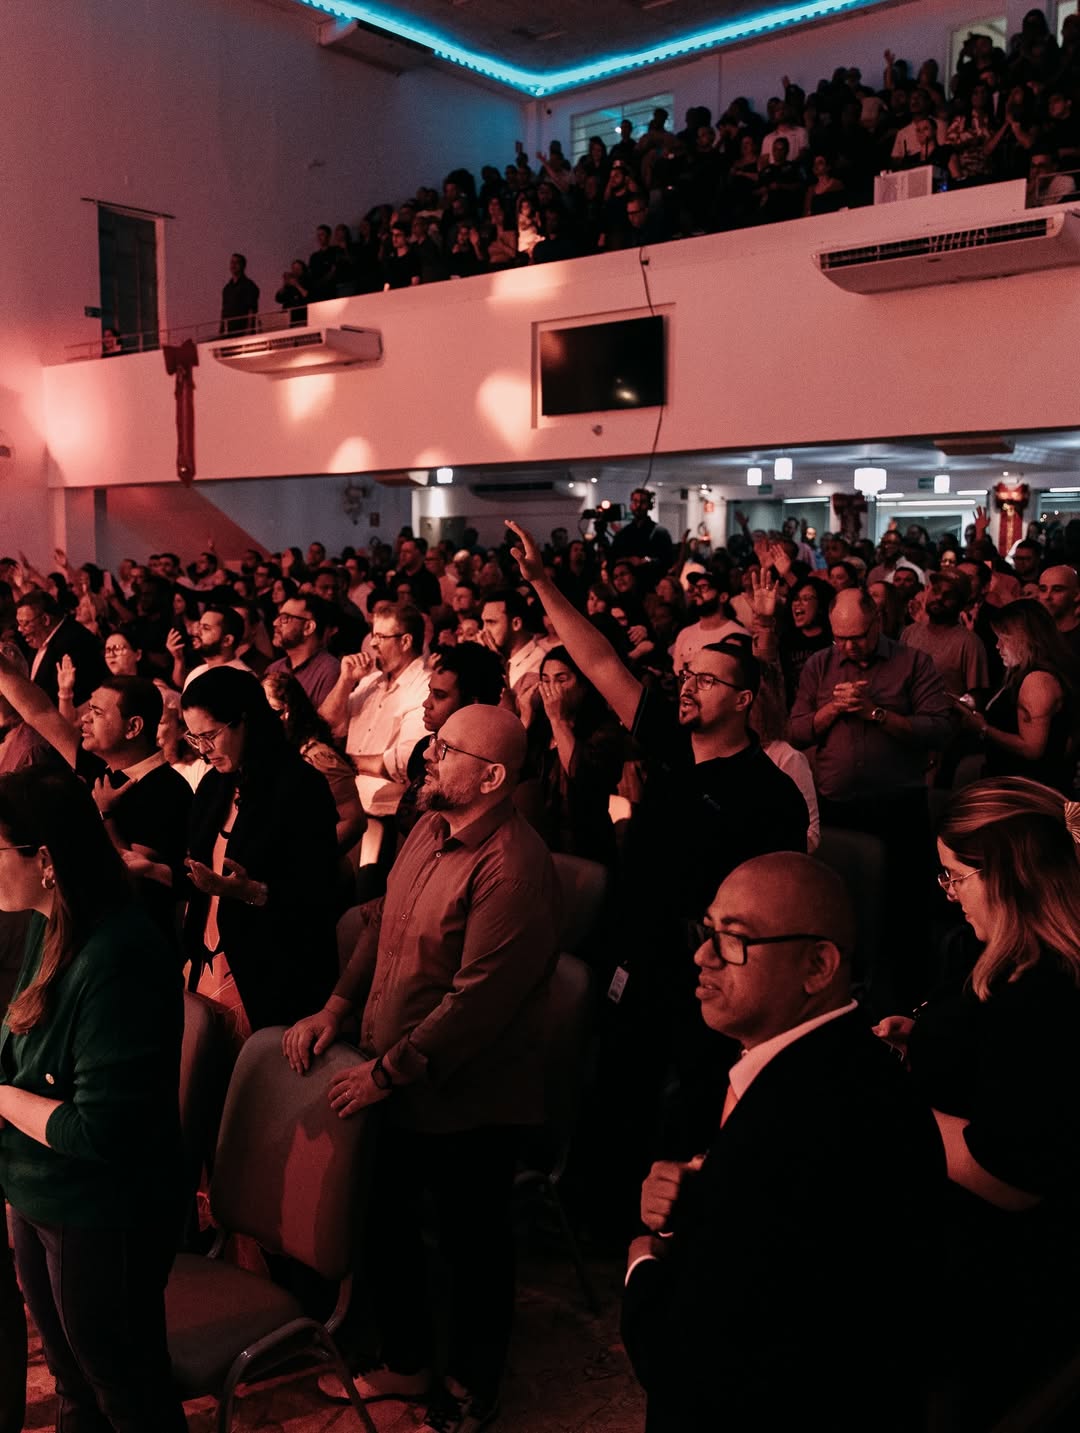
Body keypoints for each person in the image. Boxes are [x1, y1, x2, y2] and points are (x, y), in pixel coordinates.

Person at [283, 705, 557, 1433]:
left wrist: (384, 1073)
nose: (428, 753)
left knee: (473, 1244)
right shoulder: (430, 826)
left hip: (470, 1095)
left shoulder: (514, 868)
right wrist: (337, 1008)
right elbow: (384, 925)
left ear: (491, 777)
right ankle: (405, 1359)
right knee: (384, 1216)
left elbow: (475, 1004)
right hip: (397, 1072)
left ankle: (471, 1387)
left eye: (447, 748)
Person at [622, 852, 944, 1432]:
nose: (702, 955)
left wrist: (643, 1261)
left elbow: (685, 1365)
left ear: (818, 966)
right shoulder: (852, 1064)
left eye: (733, 939)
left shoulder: (799, 1126)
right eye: (706, 930)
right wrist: (689, 1208)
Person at [880, 779, 1080, 1428]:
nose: (949, 893)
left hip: (995, 1287)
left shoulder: (1045, 996)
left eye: (955, 876)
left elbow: (1011, 1174)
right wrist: (921, 1037)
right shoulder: (1009, 959)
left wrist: (892, 1107)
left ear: (1008, 876)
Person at [0, 766, 187, 1433]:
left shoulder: (119, 954)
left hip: (102, 1209)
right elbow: (23, 1041)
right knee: (73, 1381)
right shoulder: (48, 922)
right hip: (39, 1188)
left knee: (125, 1390)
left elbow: (99, 1130)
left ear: (46, 859)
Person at [181, 667, 339, 1038]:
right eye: (194, 738)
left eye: (210, 735)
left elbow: (318, 892)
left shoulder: (301, 786)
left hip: (273, 967)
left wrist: (251, 891)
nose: (203, 750)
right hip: (206, 958)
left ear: (245, 721)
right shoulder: (214, 785)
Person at [953, 599, 1078, 793]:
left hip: (1031, 793)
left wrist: (983, 728)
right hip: (1019, 787)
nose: (997, 646)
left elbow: (1032, 748)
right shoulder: (1022, 673)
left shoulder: (1037, 680)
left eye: (1003, 638)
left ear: (1026, 638)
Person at [519, 646, 625, 865]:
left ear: (584, 684)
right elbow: (514, 773)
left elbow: (583, 777)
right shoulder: (541, 726)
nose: (551, 689)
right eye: (545, 680)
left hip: (584, 847)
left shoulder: (605, 729)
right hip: (538, 843)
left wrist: (558, 720)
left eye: (561, 680)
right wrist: (526, 718)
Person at [15, 590, 106, 708]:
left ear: (45, 619)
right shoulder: (40, 638)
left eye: (25, 623)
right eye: (19, 623)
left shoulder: (74, 642)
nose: (20, 629)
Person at [266, 592, 342, 710]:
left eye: (284, 618)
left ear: (308, 627)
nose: (275, 623)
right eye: (278, 617)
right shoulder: (273, 669)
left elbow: (326, 719)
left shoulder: (330, 671)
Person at [608, 488, 674, 574]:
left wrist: (646, 560)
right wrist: (627, 560)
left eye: (643, 502)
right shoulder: (623, 533)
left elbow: (668, 560)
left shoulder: (660, 533)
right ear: (631, 505)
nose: (638, 505)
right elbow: (613, 559)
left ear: (649, 505)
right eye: (635, 501)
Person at [219, 251, 260, 335]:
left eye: (236, 262)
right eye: (232, 262)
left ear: (243, 266)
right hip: (228, 331)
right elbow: (224, 311)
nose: (233, 265)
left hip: (242, 330)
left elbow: (252, 310)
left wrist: (249, 330)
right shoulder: (227, 288)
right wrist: (221, 330)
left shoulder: (249, 285)